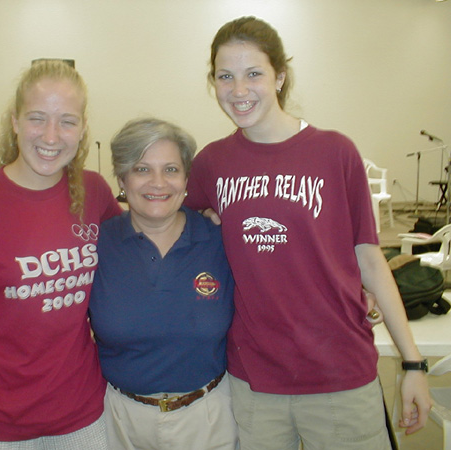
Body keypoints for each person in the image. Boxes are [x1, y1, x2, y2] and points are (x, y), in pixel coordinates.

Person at [184, 16, 431, 450]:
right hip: (255, 381)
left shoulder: (335, 152)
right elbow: (176, 228)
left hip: (339, 376)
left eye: (253, 74)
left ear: (279, 77)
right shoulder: (212, 163)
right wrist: (207, 218)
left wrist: (413, 364)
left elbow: (369, 259)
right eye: (226, 76)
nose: (239, 90)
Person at [0, 117, 239, 450]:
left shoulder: (220, 238)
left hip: (207, 418)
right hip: (120, 422)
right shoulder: (96, 243)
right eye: (142, 169)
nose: (158, 183)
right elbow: (43, 287)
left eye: (171, 170)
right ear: (121, 178)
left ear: (187, 178)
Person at [0, 59, 122, 450]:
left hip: (80, 415)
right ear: (14, 121)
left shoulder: (95, 193)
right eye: (37, 118)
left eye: (67, 120)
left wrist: (206, 213)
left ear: (82, 130)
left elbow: (139, 242)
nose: (51, 135)